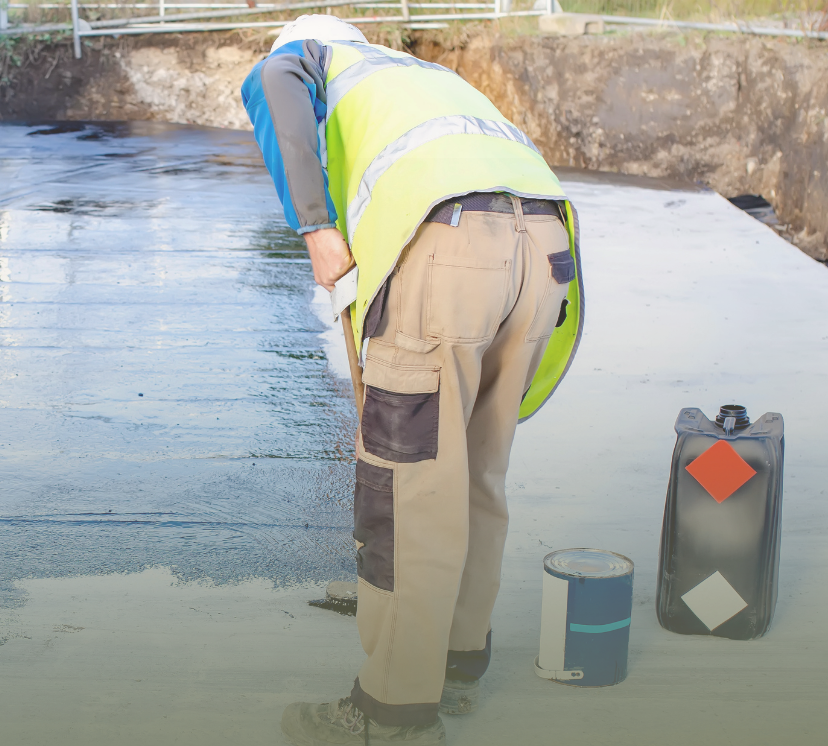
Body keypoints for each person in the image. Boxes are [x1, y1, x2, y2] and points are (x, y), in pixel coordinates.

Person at [240, 15, 585, 745]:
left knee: (408, 488)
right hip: (545, 247)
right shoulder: (414, 75)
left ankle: (392, 708)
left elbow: (274, 81)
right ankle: (457, 661)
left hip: (453, 248)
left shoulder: (307, 56)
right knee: (475, 470)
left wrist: (315, 227)